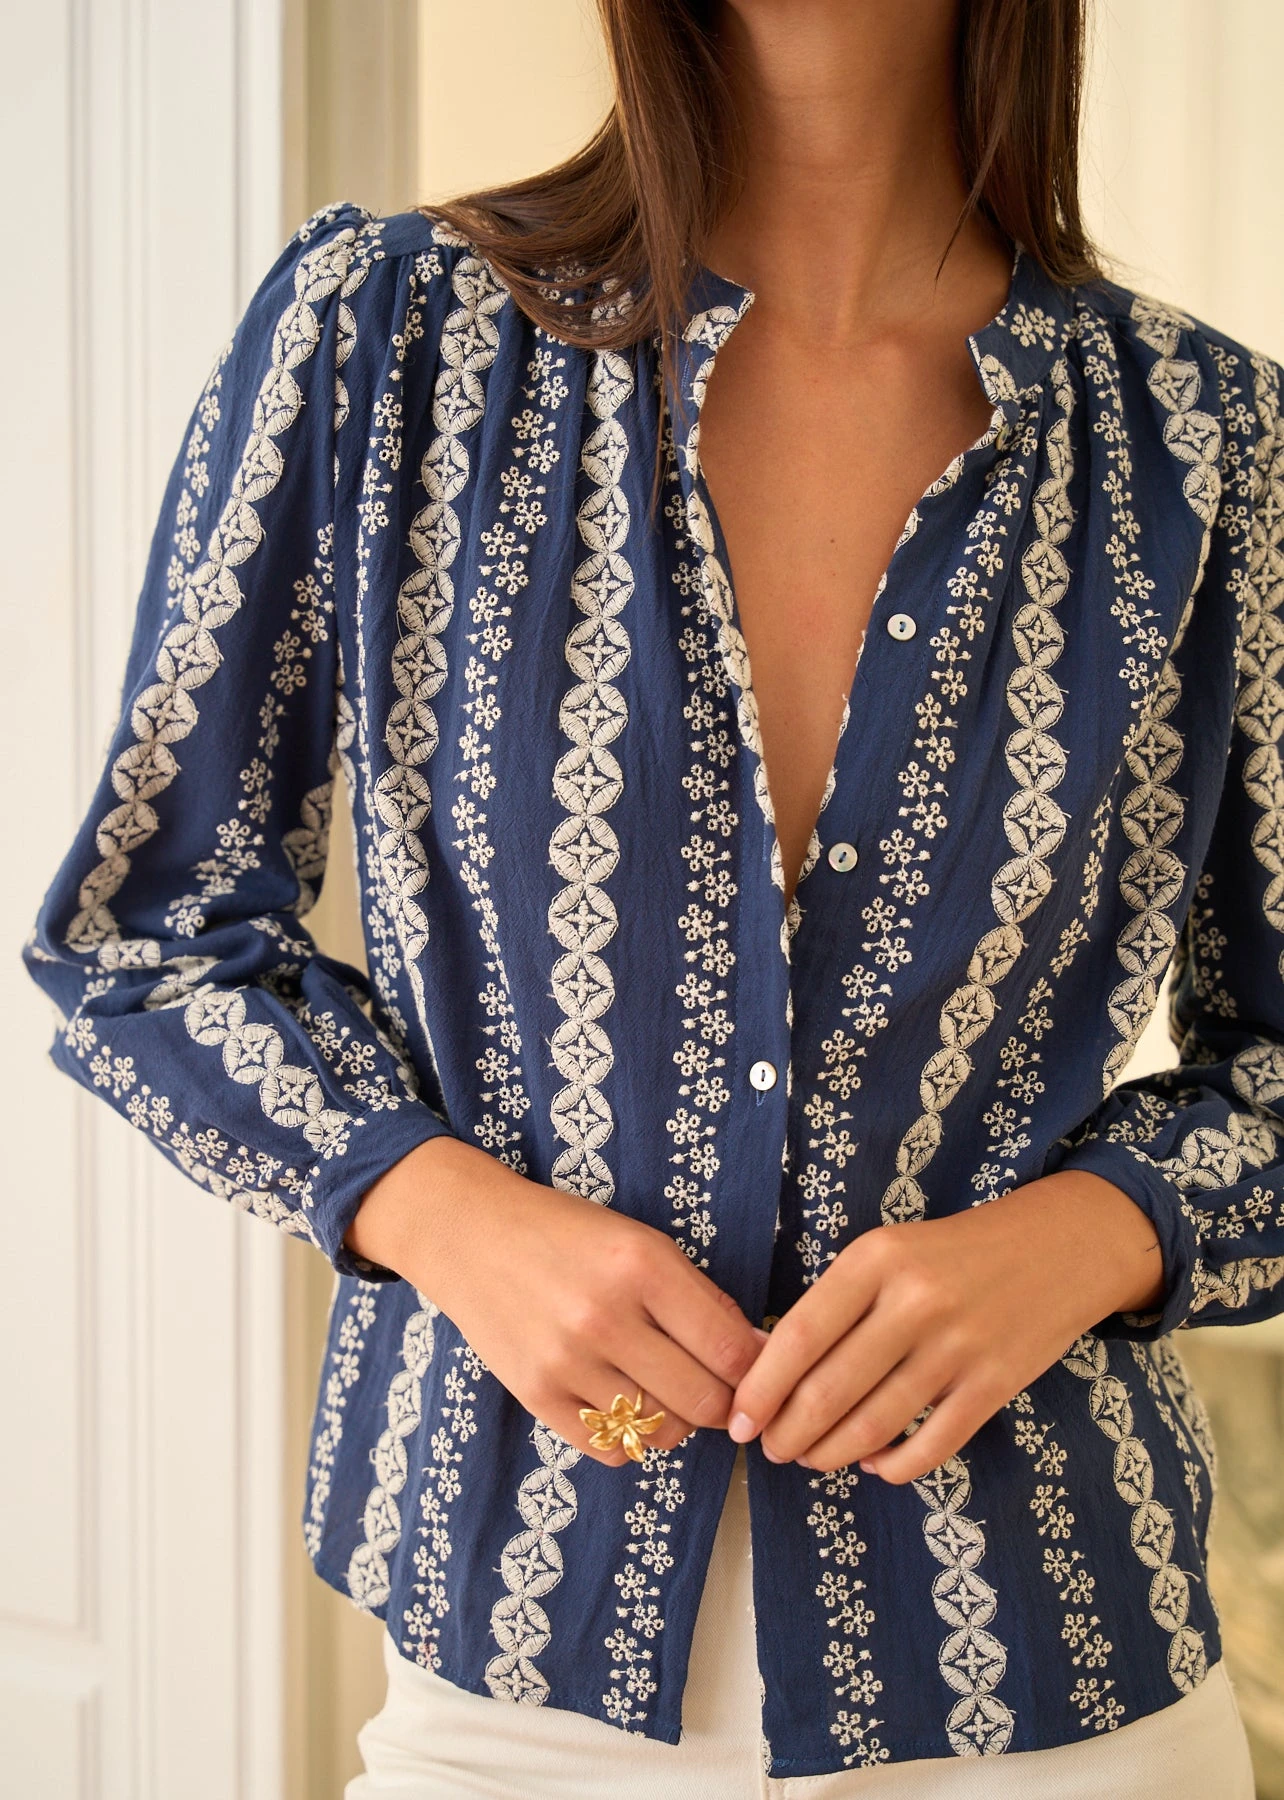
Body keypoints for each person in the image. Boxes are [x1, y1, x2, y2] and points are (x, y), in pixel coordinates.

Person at [22, 0, 1279, 1792]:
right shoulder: (389, 339)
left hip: (1060, 1674)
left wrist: (1097, 1235)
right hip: (509, 1691)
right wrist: (437, 1208)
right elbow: (144, 932)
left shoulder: (1205, 446)